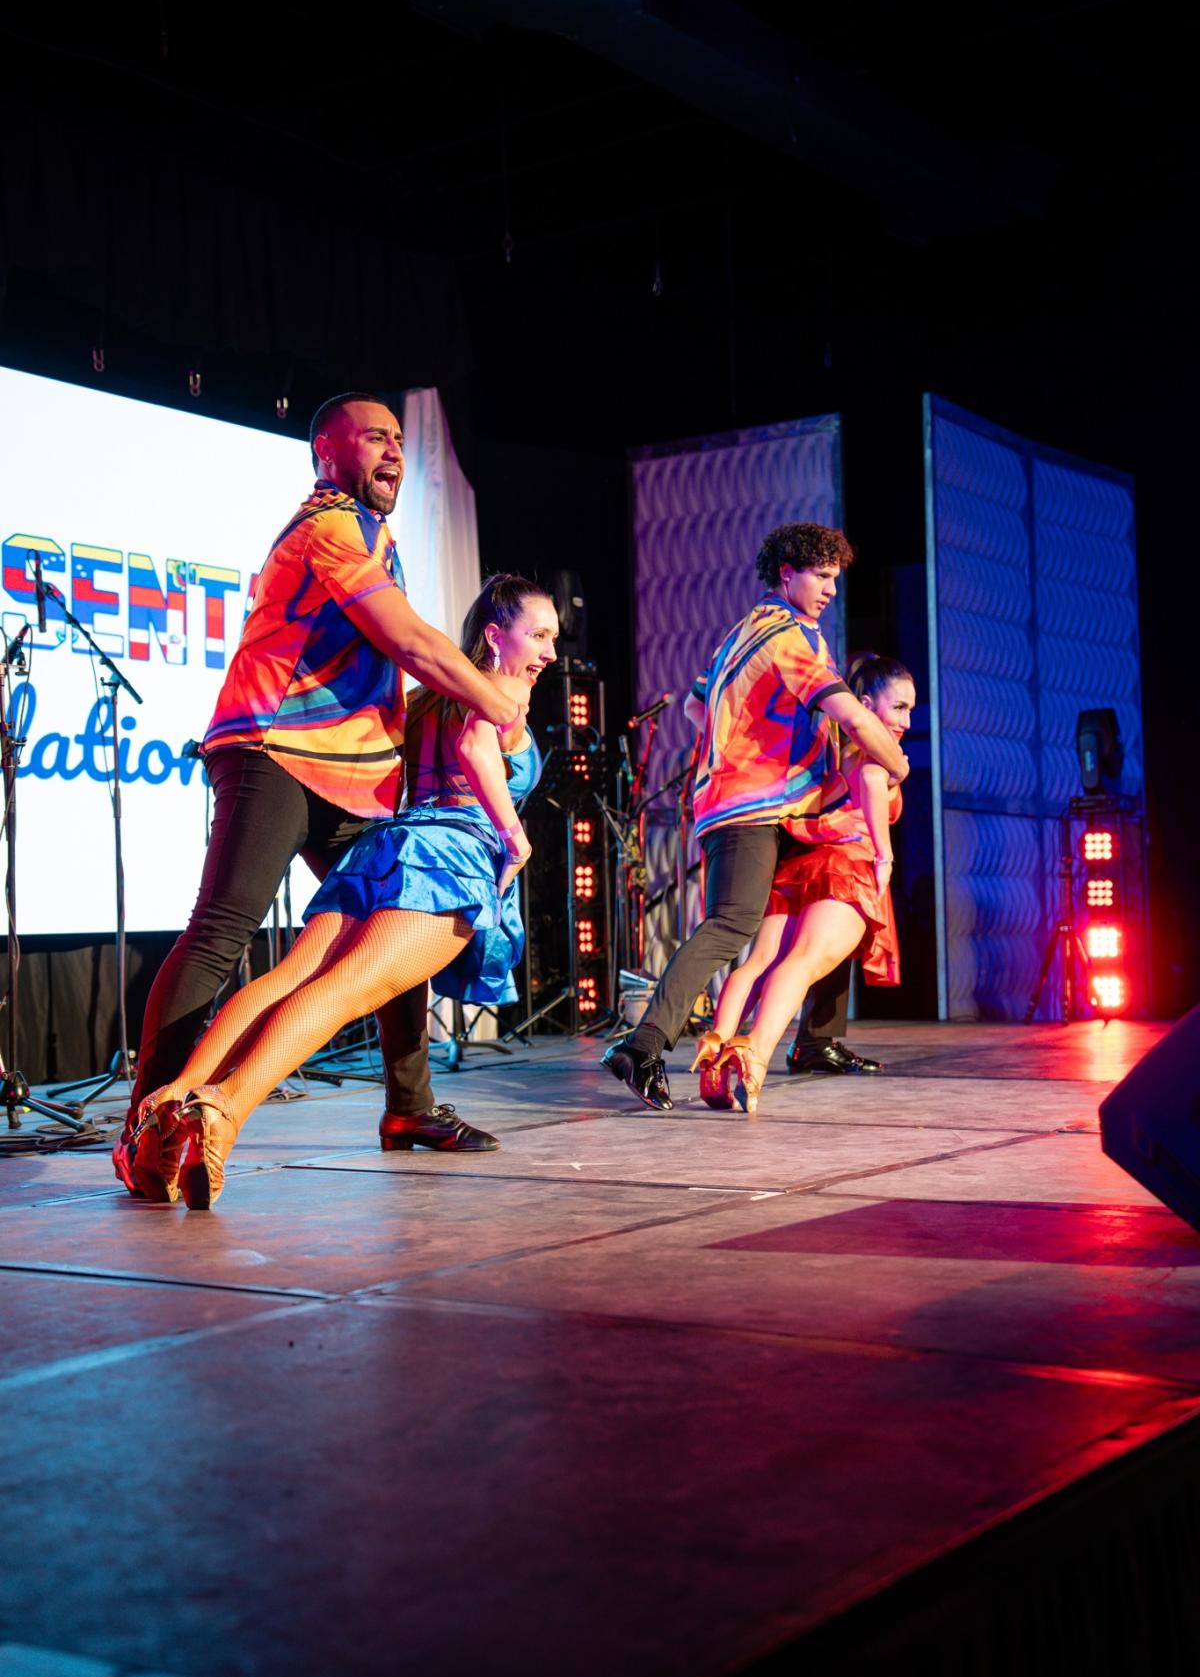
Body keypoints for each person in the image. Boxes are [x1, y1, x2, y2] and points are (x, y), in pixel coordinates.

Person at [114, 393, 529, 1202]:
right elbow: (408, 640)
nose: (395, 454)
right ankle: (149, 1128)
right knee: (220, 932)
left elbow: (392, 662)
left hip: (350, 771)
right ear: (327, 453)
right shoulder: (330, 527)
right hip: (275, 751)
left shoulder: (375, 536)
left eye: (402, 442)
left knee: (396, 919)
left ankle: (407, 1109)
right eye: (376, 438)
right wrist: (493, 698)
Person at [602, 523, 908, 1111]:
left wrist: (737, 741)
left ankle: (809, 1040)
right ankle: (644, 1044)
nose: (830, 590)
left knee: (819, 900)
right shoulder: (793, 636)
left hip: (753, 804)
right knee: (733, 926)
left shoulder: (741, 631)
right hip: (752, 807)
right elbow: (856, 721)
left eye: (835, 579)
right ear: (786, 573)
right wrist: (898, 767)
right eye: (820, 576)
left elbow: (697, 704)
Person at [697, 652, 915, 1111]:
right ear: (867, 703)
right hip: (845, 866)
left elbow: (696, 703)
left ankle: (716, 1054)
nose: (906, 721)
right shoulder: (870, 748)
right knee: (802, 961)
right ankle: (753, 1055)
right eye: (899, 708)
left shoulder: (823, 740)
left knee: (757, 965)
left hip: (800, 866)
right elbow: (875, 781)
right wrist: (885, 852)